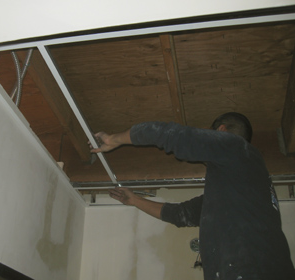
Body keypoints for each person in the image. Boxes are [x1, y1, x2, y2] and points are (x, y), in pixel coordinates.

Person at [90, 112, 295, 280]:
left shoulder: (238, 148)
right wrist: (134, 200)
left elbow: (169, 134)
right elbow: (181, 214)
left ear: (221, 132)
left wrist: (114, 139)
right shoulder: (240, 192)